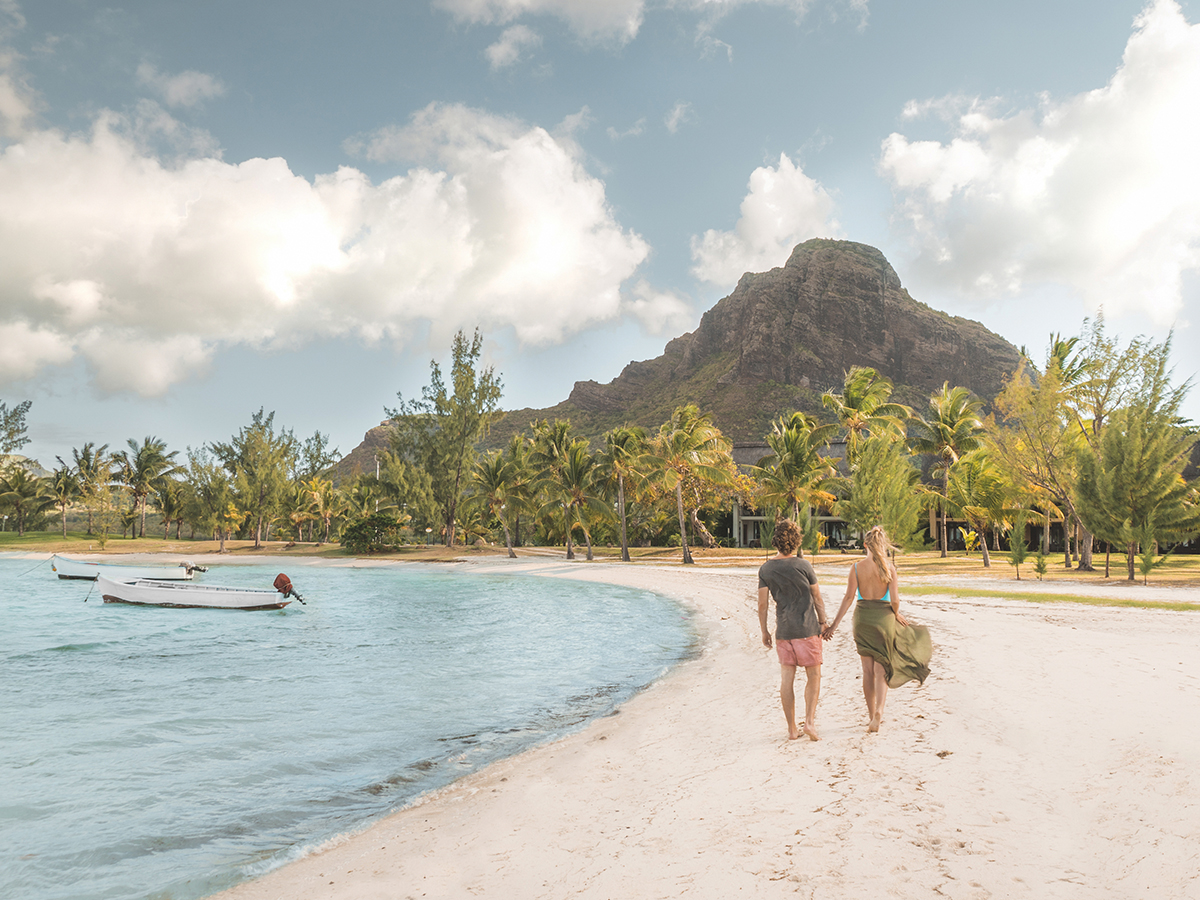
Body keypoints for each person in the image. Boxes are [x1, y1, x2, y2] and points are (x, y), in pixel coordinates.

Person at [823, 526, 931, 732]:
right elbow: (896, 600)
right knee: (881, 670)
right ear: (883, 545)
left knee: (867, 671)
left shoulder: (856, 567)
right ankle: (880, 711)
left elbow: (848, 598)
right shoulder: (889, 569)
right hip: (884, 619)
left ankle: (871, 713)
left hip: (863, 619)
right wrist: (896, 613)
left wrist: (833, 626)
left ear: (865, 544)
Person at [758, 518, 828, 741]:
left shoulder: (766, 568)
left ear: (775, 541)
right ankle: (809, 722)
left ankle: (791, 729)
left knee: (787, 679)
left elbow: (762, 604)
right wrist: (823, 622)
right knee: (813, 675)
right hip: (807, 630)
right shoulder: (804, 566)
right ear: (796, 541)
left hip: (784, 632)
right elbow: (817, 598)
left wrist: (765, 631)